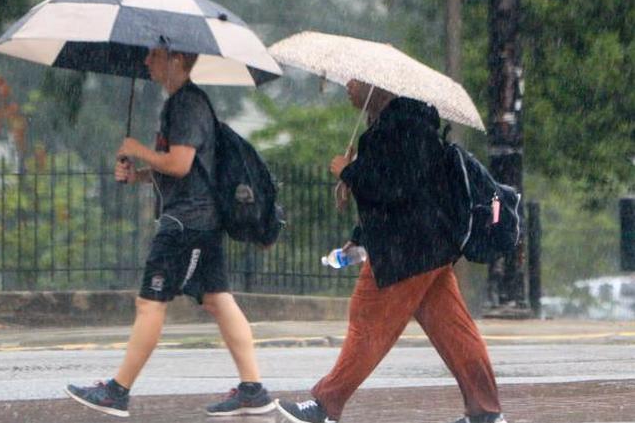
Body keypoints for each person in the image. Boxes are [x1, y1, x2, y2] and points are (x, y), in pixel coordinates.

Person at [276, 79, 505, 423]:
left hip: (406, 250)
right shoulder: (400, 123)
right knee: (454, 330)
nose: (347, 88)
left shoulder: (402, 125)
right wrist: (359, 233)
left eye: (353, 82)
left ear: (375, 87)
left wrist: (348, 171)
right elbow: (398, 194)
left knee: (367, 321)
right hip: (429, 245)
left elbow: (394, 187)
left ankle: (324, 407)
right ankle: (486, 412)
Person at [65, 46, 275, 418]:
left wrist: (138, 150)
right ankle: (252, 389)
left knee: (150, 303)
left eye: (154, 55)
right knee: (218, 300)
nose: (146, 61)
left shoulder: (186, 105)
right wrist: (140, 175)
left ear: (177, 59)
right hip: (198, 221)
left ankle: (118, 392)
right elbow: (186, 171)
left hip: (185, 226)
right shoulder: (183, 103)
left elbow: (179, 164)